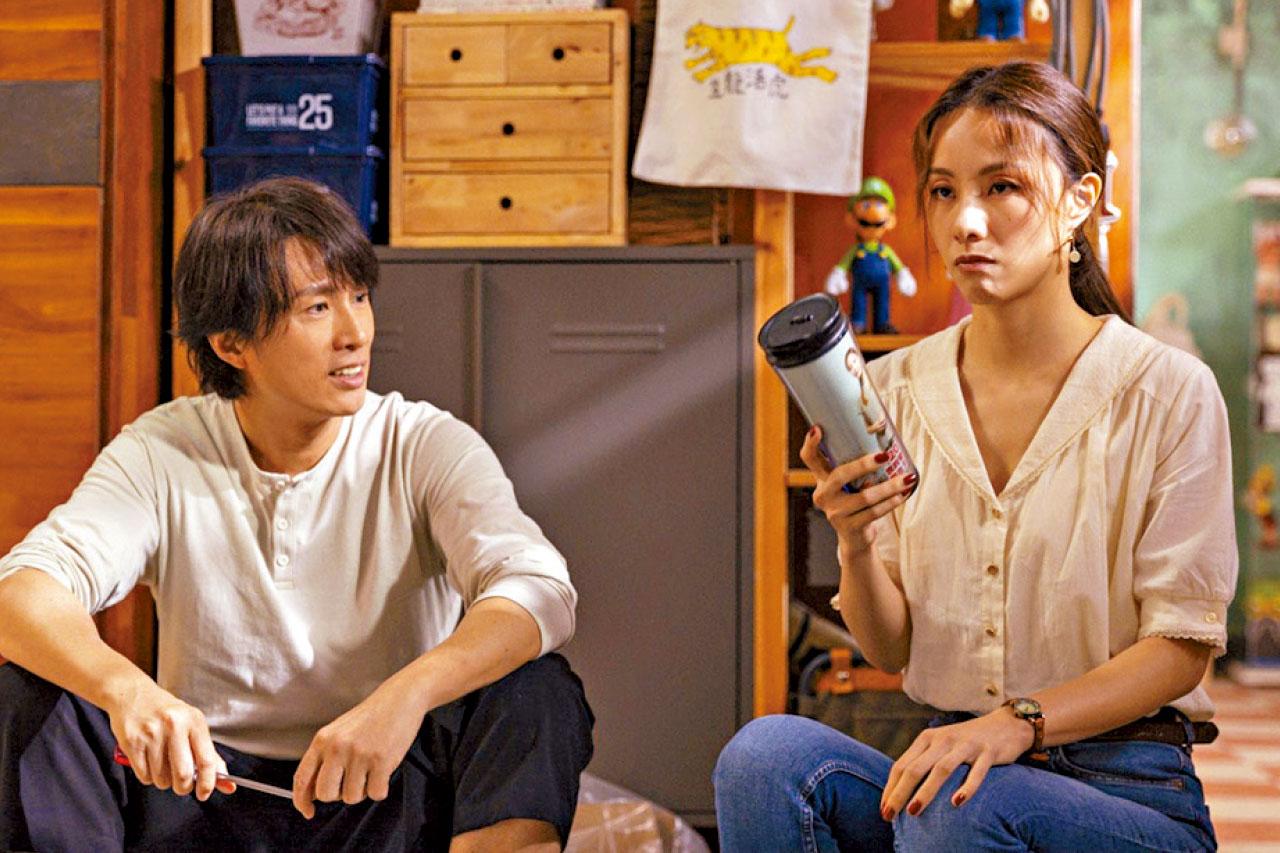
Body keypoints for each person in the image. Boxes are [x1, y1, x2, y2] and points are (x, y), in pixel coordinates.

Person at [715, 61, 1236, 851]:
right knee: (765, 759)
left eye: (1002, 187)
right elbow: (891, 647)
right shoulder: (890, 391)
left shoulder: (1168, 391)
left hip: (1130, 789)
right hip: (953, 772)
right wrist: (855, 538)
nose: (964, 221)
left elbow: (1180, 650)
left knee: (959, 801)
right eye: (943, 190)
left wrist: (1017, 723)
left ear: (1079, 202)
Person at [0, 177, 593, 852]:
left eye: (359, 297)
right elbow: (22, 589)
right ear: (231, 343)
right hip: (205, 796)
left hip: (377, 793)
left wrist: (405, 695)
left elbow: (539, 589)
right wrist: (125, 689)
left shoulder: (422, 443)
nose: (355, 333)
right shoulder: (162, 450)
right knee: (27, 691)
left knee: (536, 686)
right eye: (317, 307)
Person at [824, 176, 917, 335]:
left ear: (890, 220)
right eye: (866, 204)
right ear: (851, 218)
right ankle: (858, 323)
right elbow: (843, 265)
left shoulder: (885, 251)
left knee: (883, 301)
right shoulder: (856, 250)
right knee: (858, 301)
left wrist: (903, 275)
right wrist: (838, 276)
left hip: (882, 284)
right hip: (860, 283)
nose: (873, 209)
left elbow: (897, 266)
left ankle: (882, 324)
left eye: (879, 204)